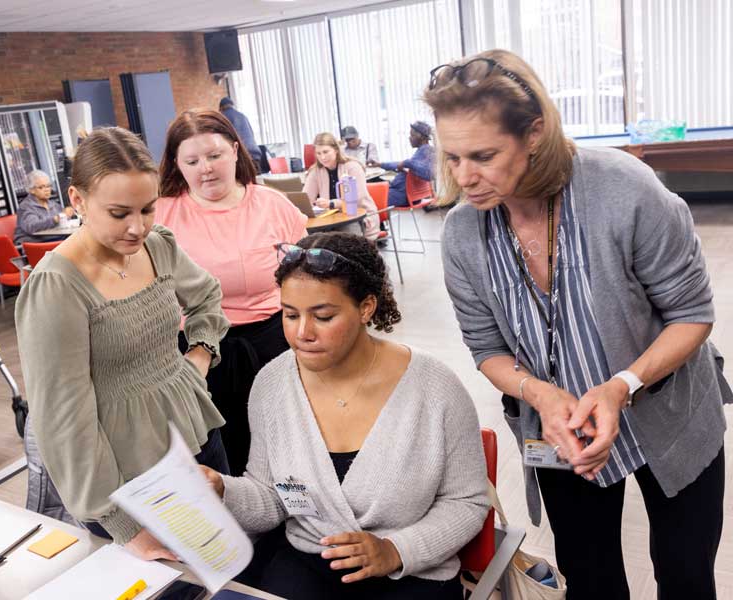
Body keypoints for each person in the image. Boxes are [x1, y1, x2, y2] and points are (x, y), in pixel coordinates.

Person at [428, 49, 730, 600]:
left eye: (483, 155)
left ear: (535, 133)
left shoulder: (626, 189)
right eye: (451, 157)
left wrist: (621, 387)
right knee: (590, 580)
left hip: (666, 407)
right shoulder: (462, 234)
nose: (463, 177)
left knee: (686, 575)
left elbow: (692, 314)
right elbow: (486, 347)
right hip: (561, 432)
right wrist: (541, 395)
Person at [201, 232, 489, 600]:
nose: (302, 333)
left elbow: (467, 502)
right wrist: (224, 490)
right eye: (289, 315)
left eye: (323, 316)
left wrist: (394, 551)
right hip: (308, 558)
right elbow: (274, 496)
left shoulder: (434, 389)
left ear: (366, 307)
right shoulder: (273, 384)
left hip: (412, 569)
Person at [15, 127, 230, 560]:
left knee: (226, 564)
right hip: (128, 471)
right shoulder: (58, 287)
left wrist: (199, 355)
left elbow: (207, 296)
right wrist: (122, 524)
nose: (138, 227)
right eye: (118, 213)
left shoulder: (158, 246)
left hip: (196, 435)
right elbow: (64, 417)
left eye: (147, 209)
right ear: (77, 201)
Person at [156, 109, 308, 476]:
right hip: (199, 349)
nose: (205, 168)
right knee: (223, 453)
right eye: (192, 160)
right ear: (177, 165)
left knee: (288, 445)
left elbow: (307, 279)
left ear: (236, 152)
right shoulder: (162, 214)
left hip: (274, 340)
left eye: (214, 155)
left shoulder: (271, 204)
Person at [303, 132, 380, 241]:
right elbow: (306, 197)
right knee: (308, 237)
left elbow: (357, 199)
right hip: (330, 218)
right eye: (318, 153)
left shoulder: (353, 167)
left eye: (326, 152)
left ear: (336, 150)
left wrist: (331, 203)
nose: (322, 157)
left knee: (347, 236)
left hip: (357, 216)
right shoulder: (315, 171)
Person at [368, 121, 434, 208]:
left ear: (421, 137)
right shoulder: (422, 152)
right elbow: (400, 164)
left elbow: (429, 174)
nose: (409, 138)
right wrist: (380, 164)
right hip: (402, 192)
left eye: (412, 135)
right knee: (372, 194)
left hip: (404, 195)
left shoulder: (427, 151)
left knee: (368, 198)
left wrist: (407, 163)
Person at [13, 170, 74, 244]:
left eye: (48, 186)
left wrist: (68, 214)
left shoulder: (53, 204)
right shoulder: (26, 207)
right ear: (31, 190)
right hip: (34, 243)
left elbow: (62, 220)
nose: (47, 190)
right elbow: (32, 227)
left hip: (53, 240)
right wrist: (55, 219)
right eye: (41, 187)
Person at [219, 97, 262, 171]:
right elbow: (251, 134)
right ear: (232, 105)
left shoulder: (223, 117)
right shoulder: (242, 116)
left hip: (241, 156)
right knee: (255, 181)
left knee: (241, 182)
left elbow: (222, 139)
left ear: (221, 108)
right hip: (255, 155)